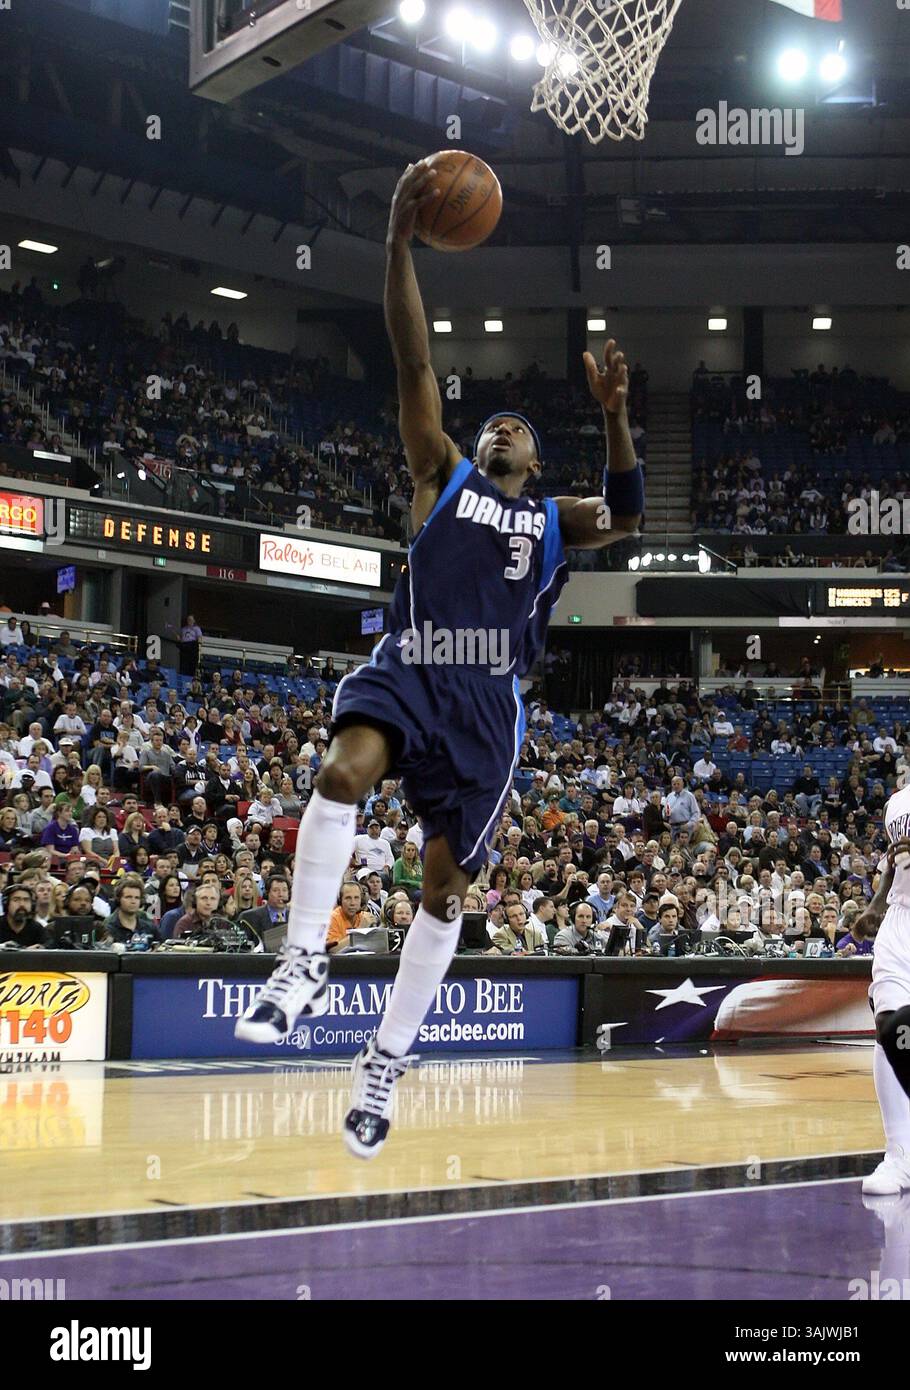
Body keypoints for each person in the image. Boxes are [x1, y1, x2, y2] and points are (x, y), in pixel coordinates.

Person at [235, 162, 643, 1159]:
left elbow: (628, 514)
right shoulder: (440, 473)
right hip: (413, 658)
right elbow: (414, 361)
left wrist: (613, 415)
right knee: (340, 772)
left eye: (521, 429)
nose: (505, 425)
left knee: (445, 886)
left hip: (486, 703)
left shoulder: (550, 519)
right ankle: (300, 961)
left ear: (535, 462)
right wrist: (396, 243)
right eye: (497, 420)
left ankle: (385, 1059)